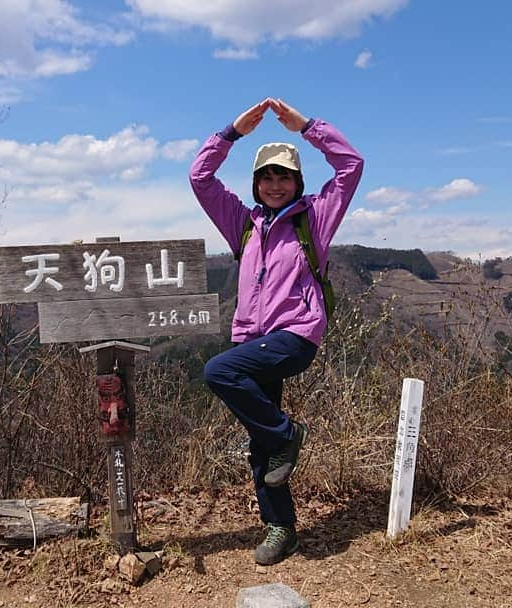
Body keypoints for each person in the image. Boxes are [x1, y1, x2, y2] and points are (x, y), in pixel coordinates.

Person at [189, 98, 363, 565]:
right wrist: (231, 133)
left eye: (283, 176)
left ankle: (288, 434)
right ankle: (281, 528)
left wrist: (306, 127)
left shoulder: (315, 218)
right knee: (261, 446)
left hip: (296, 334)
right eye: (266, 177)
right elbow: (200, 179)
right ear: (256, 183)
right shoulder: (244, 224)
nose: (274, 184)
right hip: (251, 336)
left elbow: (350, 166)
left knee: (217, 373)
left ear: (297, 181)